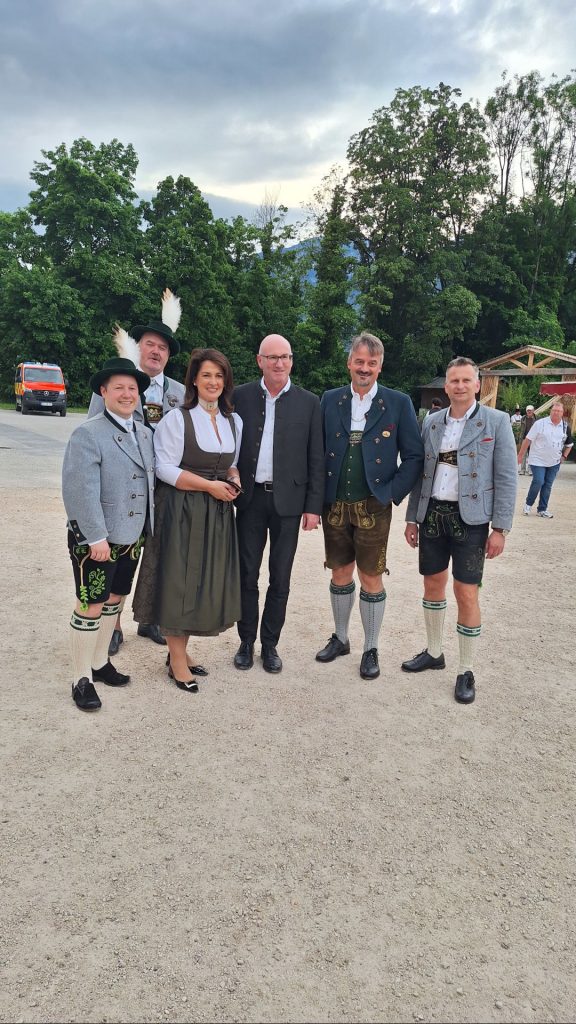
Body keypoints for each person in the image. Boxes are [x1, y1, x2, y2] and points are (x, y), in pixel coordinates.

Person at [401, 356, 517, 705]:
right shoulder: (432, 422)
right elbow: (422, 472)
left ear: (478, 384)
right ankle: (435, 652)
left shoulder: (496, 422)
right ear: (446, 385)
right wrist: (411, 517)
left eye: (467, 380)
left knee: (466, 592)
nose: (460, 386)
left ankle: (466, 669)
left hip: (473, 520)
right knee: (432, 583)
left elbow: (507, 477)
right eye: (454, 381)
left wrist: (501, 528)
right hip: (434, 513)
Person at [315, 332, 424, 680]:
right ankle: (342, 638)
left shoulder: (397, 402)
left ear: (380, 367)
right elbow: (315, 451)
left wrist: (391, 493)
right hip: (334, 503)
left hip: (374, 504)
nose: (364, 369)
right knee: (339, 573)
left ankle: (371, 647)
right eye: (359, 362)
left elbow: (414, 455)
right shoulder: (330, 399)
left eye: (371, 363)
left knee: (371, 576)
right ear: (349, 363)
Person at [132, 348, 242, 692]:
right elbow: (164, 468)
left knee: (201, 580)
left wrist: (234, 479)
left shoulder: (233, 421)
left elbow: (231, 463)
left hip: (216, 512)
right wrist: (210, 486)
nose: (213, 382)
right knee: (179, 581)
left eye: (219, 376)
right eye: (206, 375)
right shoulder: (177, 419)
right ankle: (176, 659)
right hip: (181, 509)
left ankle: (180, 652)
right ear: (194, 379)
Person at [88, 290, 185, 653]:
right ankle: (111, 626)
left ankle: (150, 619)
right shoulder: (114, 385)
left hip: (165, 486)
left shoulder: (178, 391)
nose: (156, 351)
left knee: (161, 555)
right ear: (137, 346)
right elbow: (93, 435)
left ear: (168, 355)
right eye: (150, 344)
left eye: (163, 347)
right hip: (124, 485)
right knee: (118, 554)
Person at [62, 358, 155, 711]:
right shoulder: (88, 433)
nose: (127, 394)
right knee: (90, 604)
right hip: (97, 540)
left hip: (132, 537)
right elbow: (78, 490)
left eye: (132, 388)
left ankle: (100, 663)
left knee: (115, 601)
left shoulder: (144, 433)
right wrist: (94, 536)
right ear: (103, 392)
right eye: (119, 387)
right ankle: (81, 677)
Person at [232, 334, 324, 673]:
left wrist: (313, 506)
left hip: (289, 503)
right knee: (246, 574)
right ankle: (245, 642)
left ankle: (270, 645)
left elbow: (316, 457)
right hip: (250, 500)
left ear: (291, 360)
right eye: (272, 357)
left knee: (280, 578)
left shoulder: (309, 402)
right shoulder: (239, 396)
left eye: (284, 357)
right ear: (260, 361)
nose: (279, 363)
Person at [517, 401, 573, 518]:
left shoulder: (565, 427)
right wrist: (520, 455)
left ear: (562, 413)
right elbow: (527, 440)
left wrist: (564, 456)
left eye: (558, 411)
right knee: (538, 481)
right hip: (538, 460)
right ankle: (528, 504)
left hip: (554, 461)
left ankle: (542, 509)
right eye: (554, 410)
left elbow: (569, 444)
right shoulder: (540, 423)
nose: (556, 413)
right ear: (550, 411)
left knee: (547, 485)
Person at [518, 405, 536, 474]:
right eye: (528, 410)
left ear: (533, 411)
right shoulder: (523, 418)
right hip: (524, 438)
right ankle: (522, 470)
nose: (529, 412)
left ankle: (530, 470)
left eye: (530, 410)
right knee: (523, 454)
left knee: (531, 455)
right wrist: (520, 438)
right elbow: (521, 430)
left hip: (533, 439)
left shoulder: (536, 419)